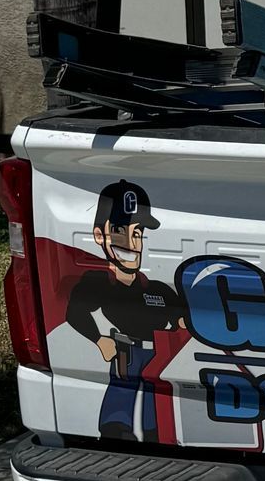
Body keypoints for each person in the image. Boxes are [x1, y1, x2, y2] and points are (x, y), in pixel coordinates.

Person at [63, 179, 188, 441]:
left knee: (156, 393)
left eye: (138, 233)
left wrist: (180, 321)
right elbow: (75, 312)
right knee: (122, 389)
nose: (131, 243)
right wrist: (99, 340)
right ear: (99, 235)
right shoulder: (98, 283)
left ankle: (155, 432)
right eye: (119, 231)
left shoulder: (154, 288)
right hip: (125, 351)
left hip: (156, 353)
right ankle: (115, 428)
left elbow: (176, 312)